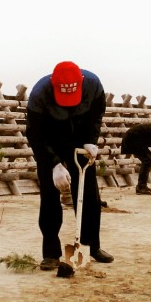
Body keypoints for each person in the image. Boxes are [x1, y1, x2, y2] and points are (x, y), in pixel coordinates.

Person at [26, 60, 113, 271]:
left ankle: (91, 246)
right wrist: (54, 164)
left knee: (89, 196)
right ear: (54, 86)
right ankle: (50, 253)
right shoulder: (39, 94)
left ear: (81, 84)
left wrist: (91, 139)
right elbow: (35, 135)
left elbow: (96, 115)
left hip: (80, 142)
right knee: (49, 196)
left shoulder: (93, 85)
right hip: (49, 142)